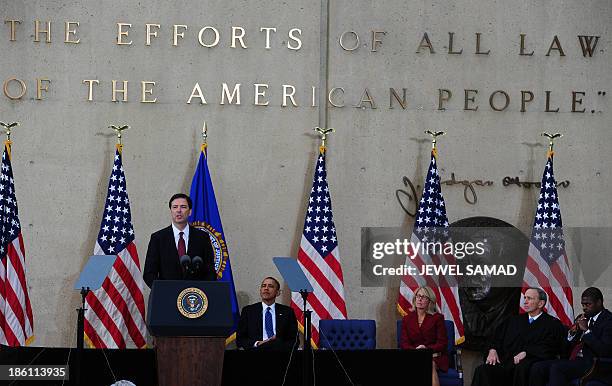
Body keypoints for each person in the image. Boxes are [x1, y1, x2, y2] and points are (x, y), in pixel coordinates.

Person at [471, 287, 565, 386]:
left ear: (541, 303)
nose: (525, 301)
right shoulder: (513, 320)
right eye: (525, 298)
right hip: (507, 363)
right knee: (483, 370)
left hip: (528, 365)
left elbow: (550, 347)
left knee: (522, 367)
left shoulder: (552, 324)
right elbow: (496, 338)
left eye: (530, 298)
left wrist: (527, 352)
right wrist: (492, 349)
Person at [529, 287, 612, 386]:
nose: (584, 308)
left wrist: (586, 331)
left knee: (557, 367)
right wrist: (573, 332)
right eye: (583, 305)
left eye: (588, 304)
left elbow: (605, 350)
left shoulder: (608, 320)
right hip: (574, 359)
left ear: (599, 302)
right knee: (538, 367)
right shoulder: (583, 318)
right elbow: (568, 346)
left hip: (592, 363)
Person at [143, 193, 215, 288]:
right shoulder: (158, 238)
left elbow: (210, 271)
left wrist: (201, 292)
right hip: (168, 297)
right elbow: (149, 273)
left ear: (190, 211)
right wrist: (163, 291)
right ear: (171, 211)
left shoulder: (202, 237)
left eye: (183, 207)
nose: (179, 211)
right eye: (175, 207)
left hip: (195, 298)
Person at [400, 286, 448, 386]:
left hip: (434, 356)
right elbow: (404, 343)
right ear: (414, 298)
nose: (420, 299)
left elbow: (442, 343)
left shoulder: (437, 318)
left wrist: (426, 349)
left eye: (424, 297)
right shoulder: (407, 319)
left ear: (430, 301)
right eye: (418, 296)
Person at [236, 277, 298, 350]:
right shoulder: (248, 311)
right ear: (260, 291)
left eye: (270, 286)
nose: (266, 288)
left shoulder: (287, 312)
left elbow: (294, 340)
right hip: (255, 353)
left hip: (280, 354)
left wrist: (280, 347)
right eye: (263, 286)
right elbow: (240, 339)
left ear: (277, 292)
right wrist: (257, 343)